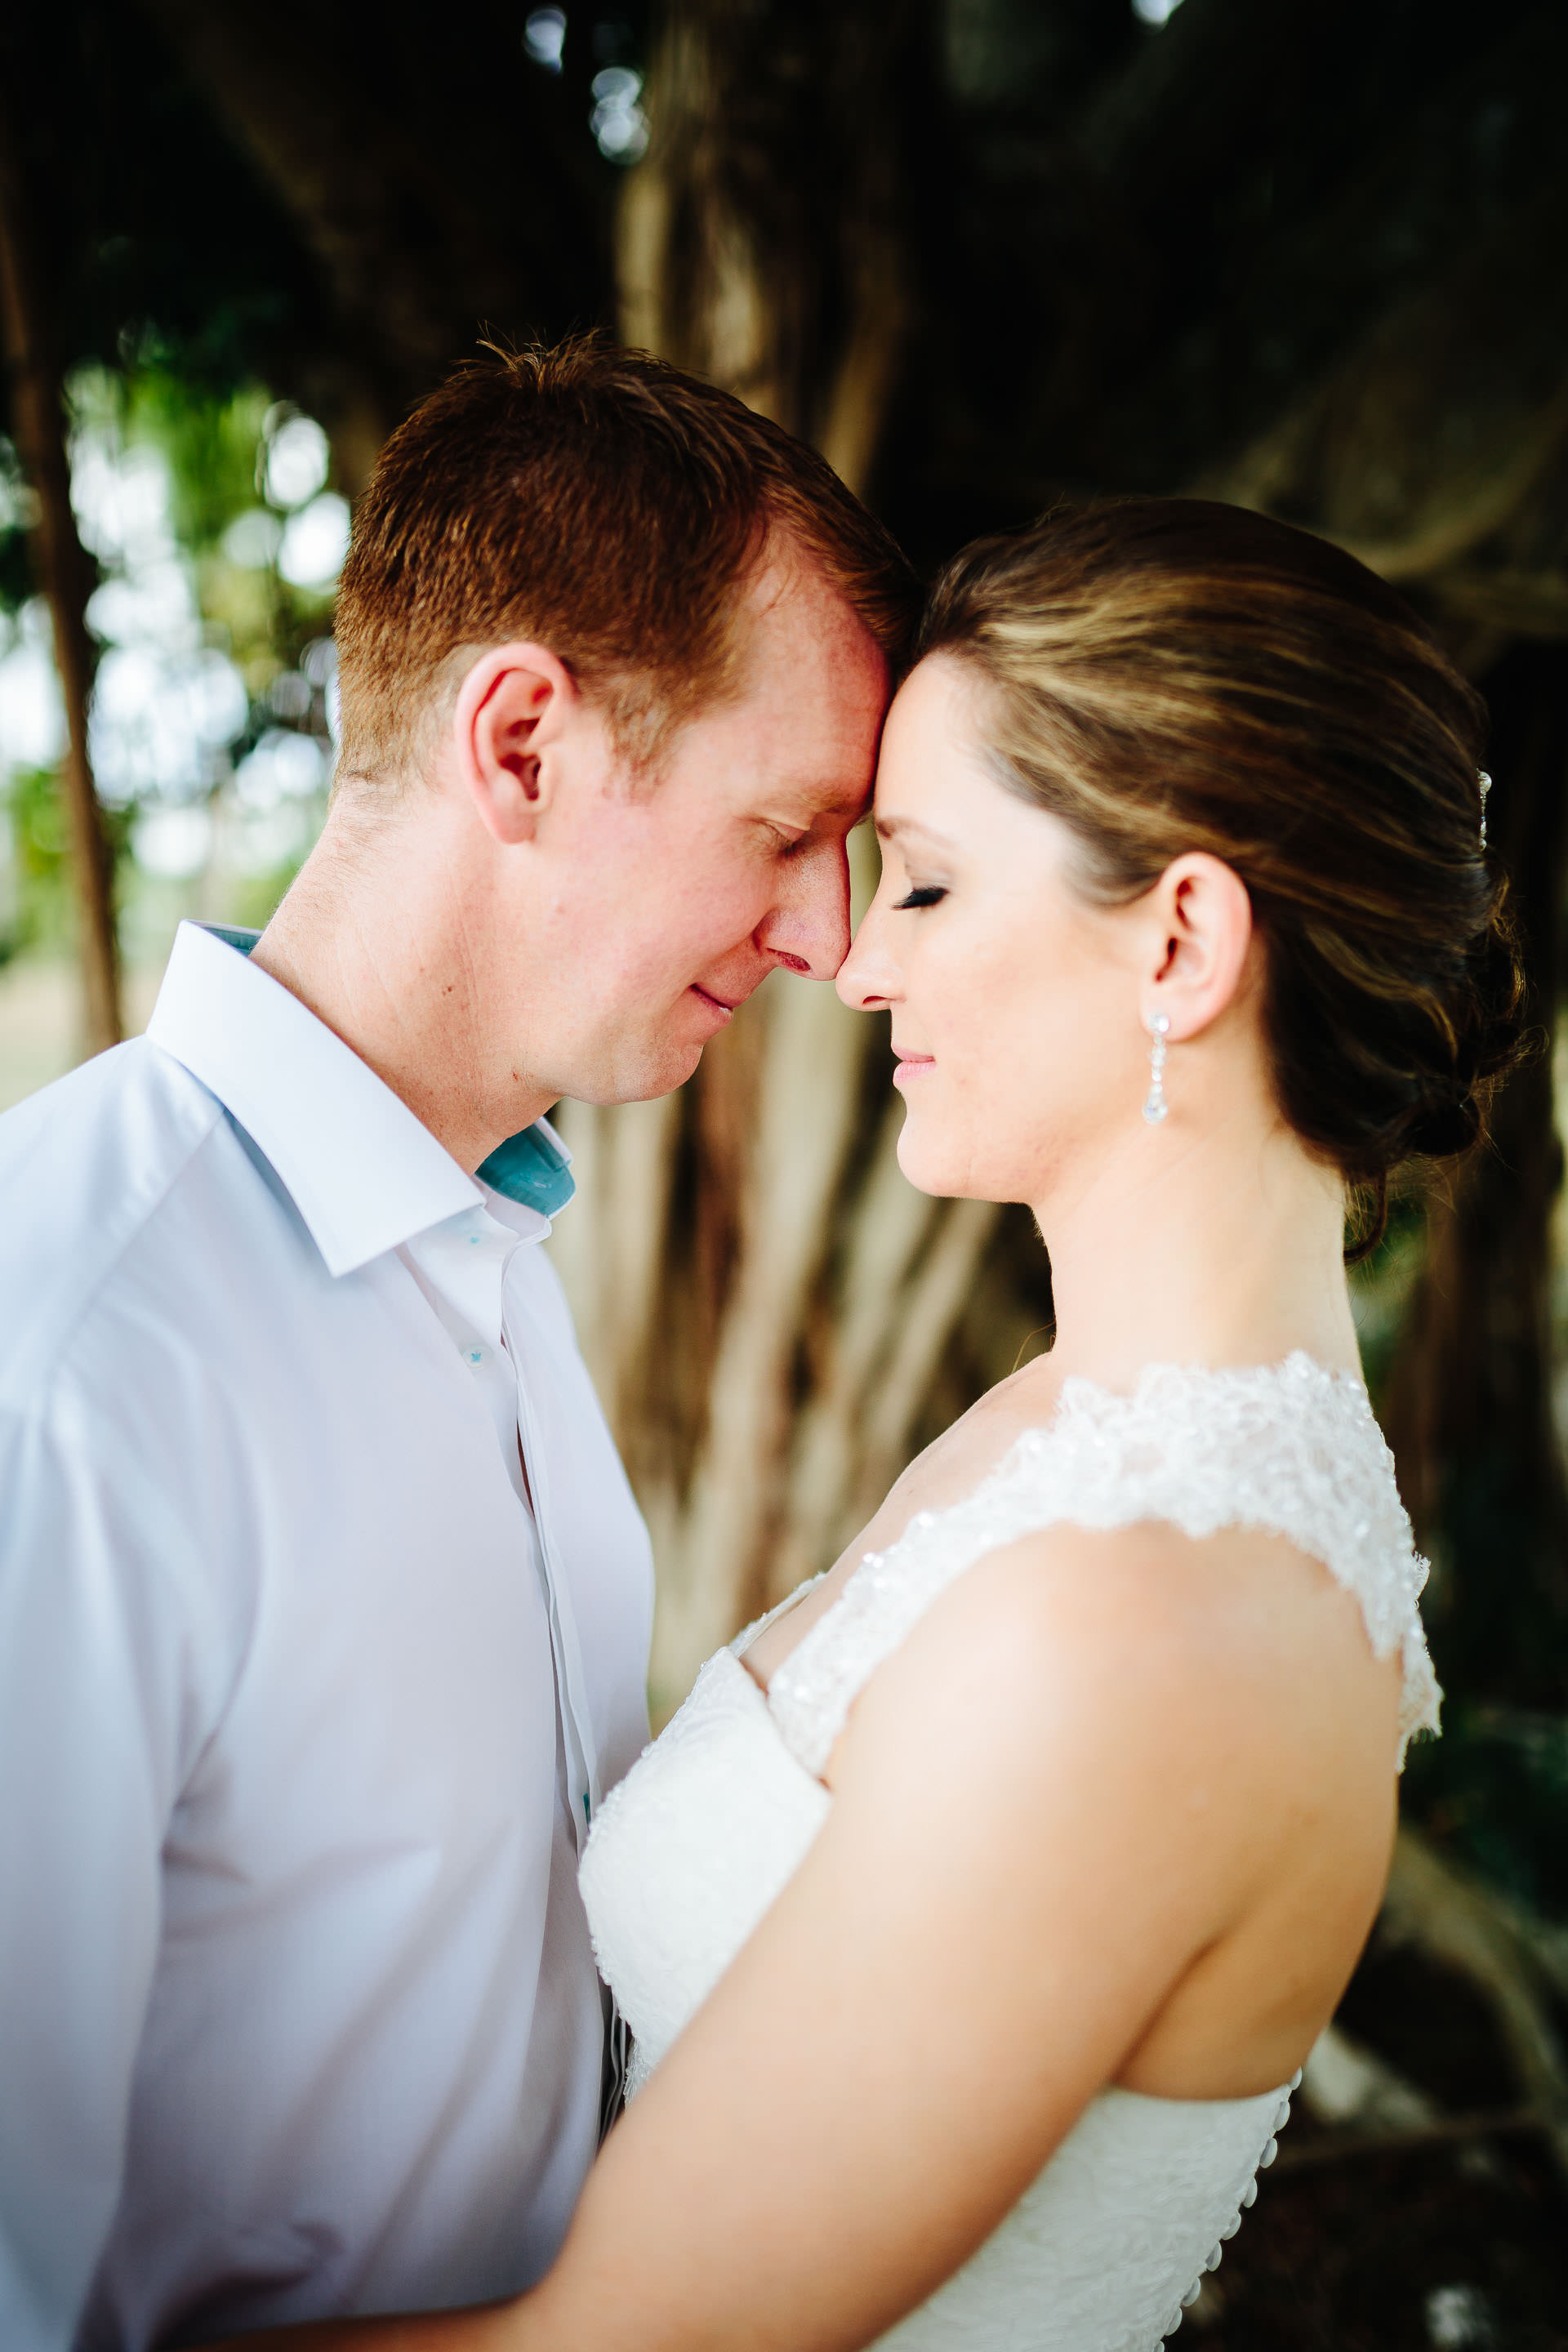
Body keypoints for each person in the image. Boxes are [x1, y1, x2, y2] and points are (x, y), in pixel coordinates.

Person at [215, 497, 1521, 2352]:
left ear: (1179, 947)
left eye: (917, 876)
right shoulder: (1075, 1435)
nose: (853, 958)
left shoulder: (1152, 1620)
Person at [0, 341, 915, 2352]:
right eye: (783, 827)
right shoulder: (64, 1357)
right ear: (522, 743)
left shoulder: (492, 1265)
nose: (830, 940)